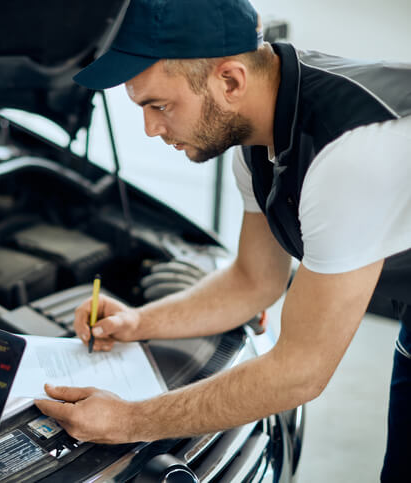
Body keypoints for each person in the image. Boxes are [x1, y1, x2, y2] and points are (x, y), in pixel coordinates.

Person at [33, 0, 411, 481]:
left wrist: (128, 420)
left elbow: (302, 370)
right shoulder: (258, 134)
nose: (150, 129)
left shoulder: (348, 151)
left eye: (159, 105)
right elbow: (253, 281)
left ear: (230, 81)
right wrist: (136, 322)